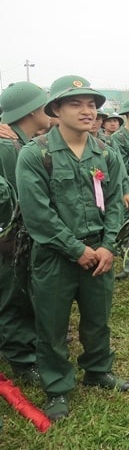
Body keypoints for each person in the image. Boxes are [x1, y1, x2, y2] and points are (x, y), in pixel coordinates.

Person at [15, 75, 129, 422]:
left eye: (92, 105)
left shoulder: (105, 154)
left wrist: (108, 246)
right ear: (56, 109)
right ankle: (57, 387)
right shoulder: (35, 155)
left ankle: (98, 370)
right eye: (75, 104)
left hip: (100, 254)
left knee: (97, 320)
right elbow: (38, 215)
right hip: (55, 257)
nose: (88, 111)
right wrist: (76, 250)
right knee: (51, 326)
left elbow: (114, 203)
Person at [0, 81, 50, 384]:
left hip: (17, 233)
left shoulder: (18, 142)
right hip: (9, 236)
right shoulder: (8, 147)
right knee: (13, 295)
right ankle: (22, 358)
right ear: (32, 110)